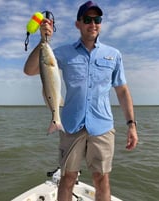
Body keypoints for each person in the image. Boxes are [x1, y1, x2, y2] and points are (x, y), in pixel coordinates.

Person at [24, 1, 138, 201]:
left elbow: (122, 91)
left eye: (97, 19)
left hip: (102, 126)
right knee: (68, 178)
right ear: (78, 24)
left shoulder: (114, 55)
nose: (92, 23)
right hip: (70, 125)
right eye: (87, 19)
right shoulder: (62, 52)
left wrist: (131, 125)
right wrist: (43, 41)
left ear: (100, 23)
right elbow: (30, 70)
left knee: (102, 179)